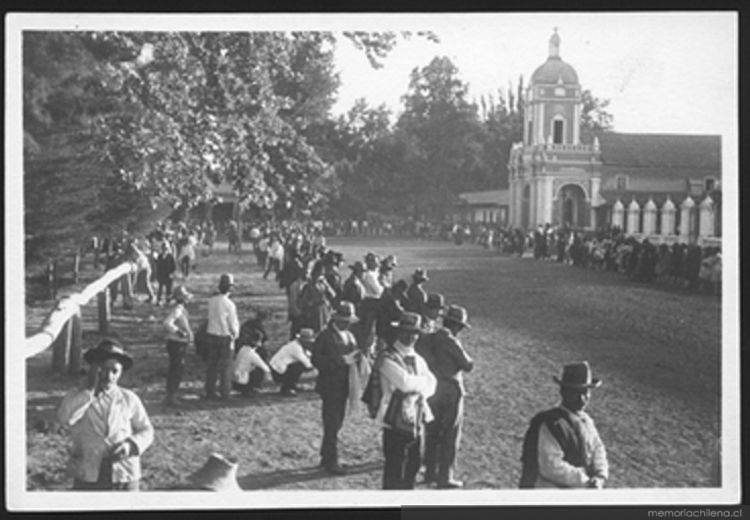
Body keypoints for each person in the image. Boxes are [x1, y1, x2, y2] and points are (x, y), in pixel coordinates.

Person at [57, 339, 154, 490]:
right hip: (88, 471)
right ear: (94, 369)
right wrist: (89, 391)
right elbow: (65, 419)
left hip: (123, 472)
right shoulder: (78, 396)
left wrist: (130, 446)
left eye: (114, 371)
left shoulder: (128, 398)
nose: (109, 376)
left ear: (121, 373)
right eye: (103, 369)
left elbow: (146, 430)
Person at [519, 361, 609, 489]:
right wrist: (585, 480)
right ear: (564, 392)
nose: (582, 398)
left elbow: (598, 449)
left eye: (586, 392)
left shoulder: (587, 422)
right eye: (576, 392)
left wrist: (600, 476)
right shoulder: (551, 423)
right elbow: (551, 466)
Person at [376, 312, 436, 489]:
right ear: (398, 332)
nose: (410, 337)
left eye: (414, 333)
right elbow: (404, 383)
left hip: (416, 418)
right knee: (395, 466)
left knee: (414, 463)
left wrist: (417, 387)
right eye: (405, 332)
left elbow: (433, 384)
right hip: (393, 419)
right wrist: (420, 385)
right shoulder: (387, 357)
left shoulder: (418, 359)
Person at [421, 305, 474, 489]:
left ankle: (429, 471)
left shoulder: (428, 338)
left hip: (432, 388)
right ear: (456, 326)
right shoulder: (450, 340)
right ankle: (445, 476)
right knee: (450, 435)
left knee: (432, 432)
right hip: (451, 390)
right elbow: (467, 364)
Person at [310, 301, 361, 475]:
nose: (347, 323)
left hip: (344, 385)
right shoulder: (325, 336)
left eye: (348, 320)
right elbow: (316, 360)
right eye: (344, 320)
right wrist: (340, 361)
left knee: (336, 423)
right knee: (332, 424)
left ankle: (326, 456)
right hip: (330, 386)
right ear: (336, 319)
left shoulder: (349, 335)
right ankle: (332, 461)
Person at [204, 273, 240, 401]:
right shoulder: (229, 304)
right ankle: (225, 392)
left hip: (211, 334)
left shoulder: (211, 301)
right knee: (225, 366)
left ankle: (209, 390)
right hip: (225, 336)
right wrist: (235, 335)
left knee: (212, 365)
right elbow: (232, 324)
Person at [163, 285, 194, 406]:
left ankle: (171, 394)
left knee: (176, 368)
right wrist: (178, 332)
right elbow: (167, 323)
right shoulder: (178, 310)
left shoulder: (179, 309)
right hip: (176, 343)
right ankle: (171, 395)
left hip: (177, 343)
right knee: (176, 369)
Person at [270, 328, 316, 396]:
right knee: (298, 366)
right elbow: (307, 363)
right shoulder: (295, 347)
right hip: (277, 371)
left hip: (281, 369)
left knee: (298, 366)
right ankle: (287, 388)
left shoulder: (300, 346)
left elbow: (308, 355)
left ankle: (291, 385)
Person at [233, 329, 271, 397]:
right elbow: (265, 367)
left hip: (235, 379)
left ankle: (247, 388)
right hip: (242, 381)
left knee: (252, 367)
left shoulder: (243, 348)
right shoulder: (251, 353)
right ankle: (249, 389)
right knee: (259, 371)